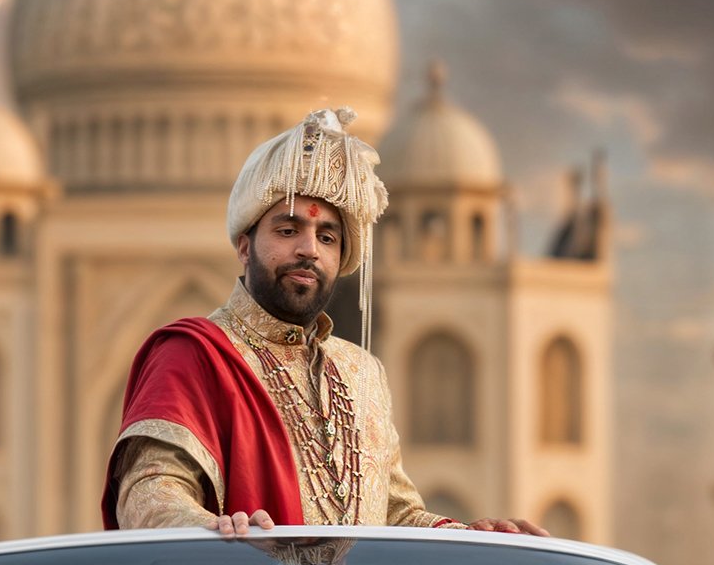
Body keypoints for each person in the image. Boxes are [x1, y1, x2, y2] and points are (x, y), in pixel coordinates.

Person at [103, 108, 538, 539]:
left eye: (326, 237)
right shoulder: (194, 355)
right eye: (288, 231)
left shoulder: (362, 373)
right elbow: (149, 494)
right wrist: (212, 531)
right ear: (244, 247)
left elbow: (395, 515)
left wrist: (470, 534)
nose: (309, 249)